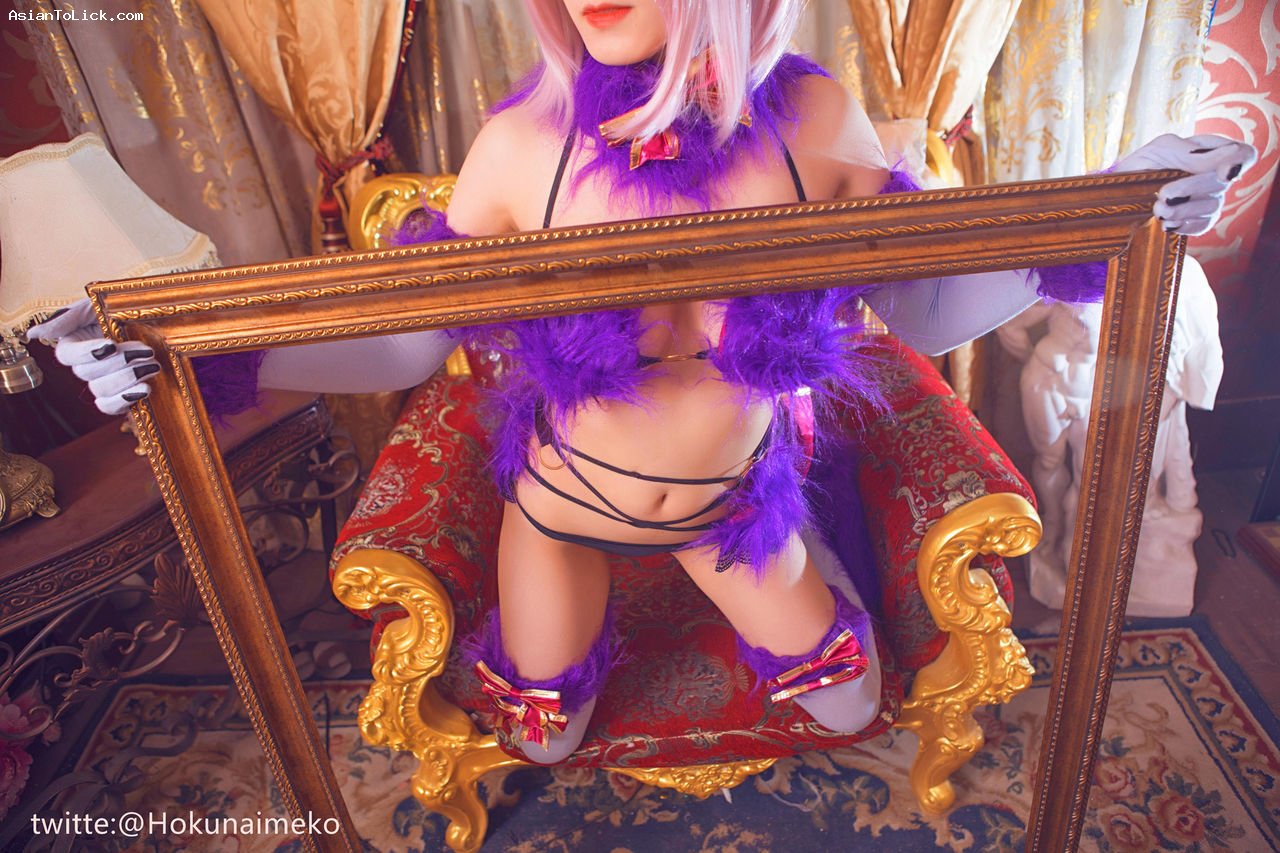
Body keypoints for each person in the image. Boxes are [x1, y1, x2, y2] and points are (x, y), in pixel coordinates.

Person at [31, 0, 1255, 765]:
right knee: (545, 737)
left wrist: (1105, 222)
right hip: (561, 515)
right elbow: (405, 347)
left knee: (847, 709)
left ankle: (816, 562)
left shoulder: (815, 124)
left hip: (735, 515)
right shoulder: (519, 148)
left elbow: (925, 311)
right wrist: (197, 357)